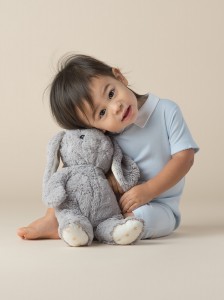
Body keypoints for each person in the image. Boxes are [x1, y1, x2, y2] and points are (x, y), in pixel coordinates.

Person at [17, 54, 199, 240]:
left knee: (144, 219)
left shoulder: (166, 111)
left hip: (160, 204)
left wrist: (149, 190)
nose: (116, 108)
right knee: (76, 169)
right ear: (95, 127)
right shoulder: (104, 135)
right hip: (106, 206)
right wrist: (108, 176)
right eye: (102, 113)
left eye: (111, 94)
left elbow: (185, 158)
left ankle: (103, 228)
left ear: (119, 77)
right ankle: (54, 219)